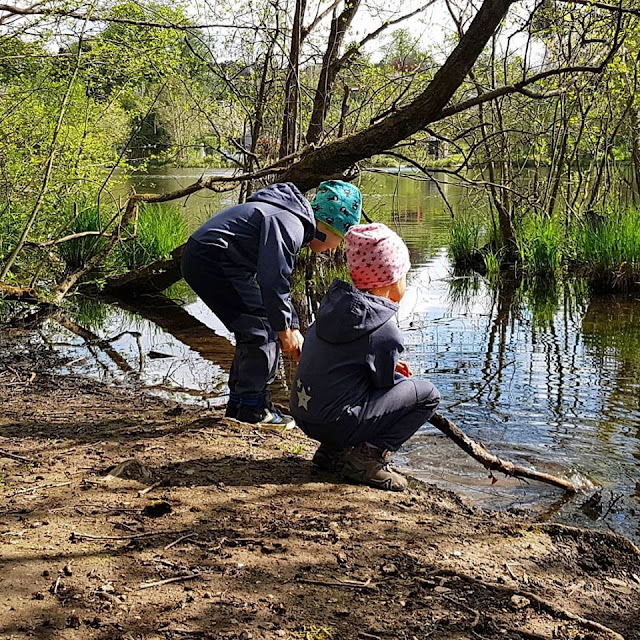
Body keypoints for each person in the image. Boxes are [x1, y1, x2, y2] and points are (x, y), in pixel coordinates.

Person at [181, 180, 362, 427]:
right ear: (328, 226)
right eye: (339, 238)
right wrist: (283, 329)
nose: (335, 248)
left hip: (209, 258)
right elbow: (272, 278)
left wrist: (292, 325)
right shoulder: (290, 224)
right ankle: (252, 409)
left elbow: (277, 282)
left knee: (254, 329)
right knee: (262, 330)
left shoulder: (290, 218)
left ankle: (242, 404)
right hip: (212, 260)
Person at [290, 222, 440, 491]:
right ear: (392, 279)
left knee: (342, 389)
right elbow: (381, 387)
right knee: (427, 394)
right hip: (334, 423)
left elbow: (346, 365)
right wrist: (394, 374)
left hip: (304, 414)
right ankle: (367, 459)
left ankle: (331, 453)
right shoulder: (384, 329)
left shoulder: (334, 306)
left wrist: (388, 365)